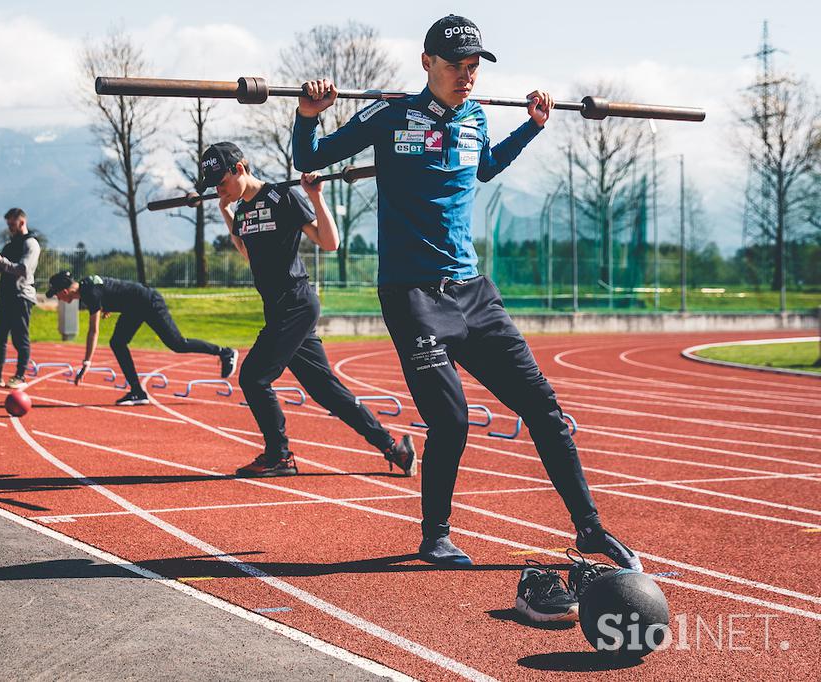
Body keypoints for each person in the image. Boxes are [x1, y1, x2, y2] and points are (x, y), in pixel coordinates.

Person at [292, 14, 641, 571]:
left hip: (474, 292)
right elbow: (311, 160)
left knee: (544, 410)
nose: (467, 75)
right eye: (456, 64)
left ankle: (590, 529)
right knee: (451, 420)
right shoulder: (389, 114)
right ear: (427, 62)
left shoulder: (476, 117)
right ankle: (435, 536)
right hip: (412, 296)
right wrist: (307, 117)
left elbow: (485, 168)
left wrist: (532, 126)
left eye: (474, 65)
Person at [203, 141, 415, 478]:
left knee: (254, 377)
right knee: (326, 390)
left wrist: (316, 196)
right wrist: (226, 210)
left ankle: (279, 456)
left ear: (239, 169)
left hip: (296, 303)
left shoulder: (283, 197)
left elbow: (329, 243)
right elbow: (247, 252)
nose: (218, 188)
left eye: (222, 181)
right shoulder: (242, 211)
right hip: (278, 309)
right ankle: (393, 447)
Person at [46, 271, 238, 406]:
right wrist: (109, 306)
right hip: (134, 307)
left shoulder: (90, 293)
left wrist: (87, 362)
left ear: (63, 291)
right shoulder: (87, 284)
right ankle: (137, 391)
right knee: (117, 342)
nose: (58, 299)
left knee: (178, 344)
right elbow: (112, 289)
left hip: (148, 302)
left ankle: (224, 352)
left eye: (56, 295)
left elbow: (93, 331)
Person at [0, 208, 40, 389]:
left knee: (20, 338)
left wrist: (1, 260)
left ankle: (20, 376)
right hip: (5, 295)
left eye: (12, 224)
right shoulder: (10, 245)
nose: (10, 228)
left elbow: (24, 269)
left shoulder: (31, 244)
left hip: (21, 296)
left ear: (22, 222)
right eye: (8, 224)